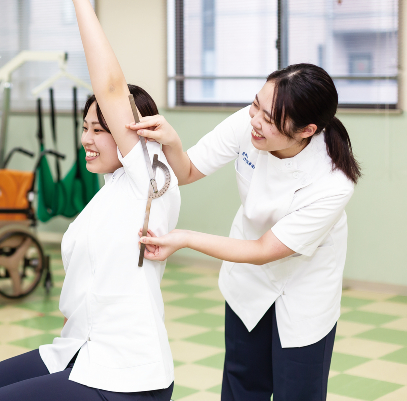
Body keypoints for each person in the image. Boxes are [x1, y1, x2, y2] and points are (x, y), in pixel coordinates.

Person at [0, 0, 179, 401]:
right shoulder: (110, 189)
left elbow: (112, 86)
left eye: (101, 128)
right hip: (78, 348)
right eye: (86, 127)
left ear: (136, 133)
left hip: (127, 372)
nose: (87, 139)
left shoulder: (151, 180)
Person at [132, 63, 360, 401]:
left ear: (306, 130)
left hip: (304, 286)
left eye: (269, 119)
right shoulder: (250, 123)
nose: (255, 120)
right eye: (256, 105)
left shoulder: (333, 183)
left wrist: (184, 238)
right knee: (242, 385)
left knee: (297, 393)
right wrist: (172, 142)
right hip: (248, 282)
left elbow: (264, 249)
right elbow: (189, 169)